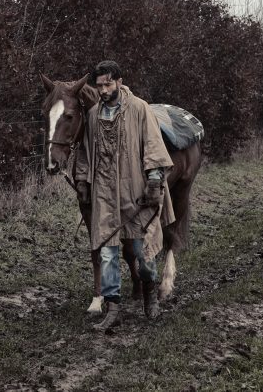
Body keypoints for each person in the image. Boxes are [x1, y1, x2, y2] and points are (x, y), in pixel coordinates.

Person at [74, 60, 174, 331]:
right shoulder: (94, 115)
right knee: (107, 255)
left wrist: (154, 180)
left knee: (143, 255)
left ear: (119, 81)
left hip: (136, 194)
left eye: (108, 84)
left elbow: (154, 144)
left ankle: (150, 298)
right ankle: (113, 309)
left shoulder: (140, 109)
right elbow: (83, 152)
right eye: (99, 85)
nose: (103, 90)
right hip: (104, 196)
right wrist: (83, 180)